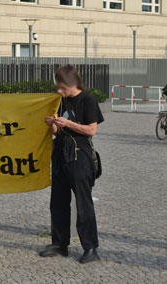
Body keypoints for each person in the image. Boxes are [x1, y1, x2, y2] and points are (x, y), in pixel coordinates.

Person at [40, 64, 104, 264]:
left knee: (84, 204)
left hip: (79, 157)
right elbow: (56, 133)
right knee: (57, 203)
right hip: (60, 156)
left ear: (71, 83)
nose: (59, 90)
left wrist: (68, 124)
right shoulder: (60, 101)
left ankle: (90, 247)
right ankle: (60, 244)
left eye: (61, 86)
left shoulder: (88, 100)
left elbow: (91, 130)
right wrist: (52, 125)